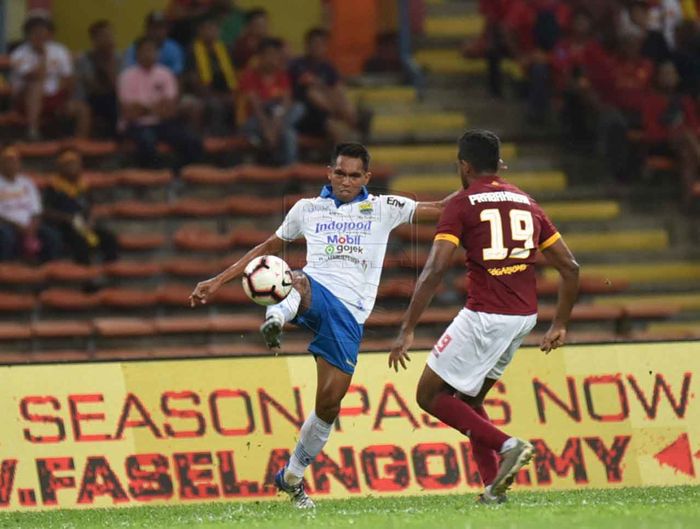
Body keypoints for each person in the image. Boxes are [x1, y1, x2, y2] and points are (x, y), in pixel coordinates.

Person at [189, 142, 457, 508]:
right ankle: (275, 319)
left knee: (329, 404)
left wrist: (482, 186)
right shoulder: (307, 209)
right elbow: (267, 248)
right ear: (329, 172)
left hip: (350, 316)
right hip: (313, 292)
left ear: (367, 177)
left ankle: (293, 477)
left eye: (354, 175)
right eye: (340, 173)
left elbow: (441, 209)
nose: (345, 181)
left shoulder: (384, 207)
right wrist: (218, 280)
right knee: (296, 279)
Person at [389, 130, 580, 504]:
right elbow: (570, 268)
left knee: (429, 394)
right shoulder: (527, 202)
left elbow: (433, 271)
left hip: (484, 316)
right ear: (499, 165)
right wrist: (559, 324)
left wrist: (407, 328)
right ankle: (494, 489)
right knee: (469, 402)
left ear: (463, 165)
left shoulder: (462, 204)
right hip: (523, 318)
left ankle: (509, 446)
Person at [118, 37, 203, 170]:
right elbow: (130, 112)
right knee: (147, 143)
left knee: (192, 142)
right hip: (137, 125)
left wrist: (145, 108)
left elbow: (169, 109)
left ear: (158, 53)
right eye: (144, 51)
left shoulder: (166, 74)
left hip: (164, 122)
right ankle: (151, 180)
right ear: (137, 54)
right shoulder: (126, 76)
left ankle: (178, 174)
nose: (148, 54)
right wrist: (156, 107)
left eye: (152, 50)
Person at [10, 15, 90, 140]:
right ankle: (33, 131)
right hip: (25, 100)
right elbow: (36, 75)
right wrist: (42, 55)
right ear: (28, 35)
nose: (40, 36)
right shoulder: (19, 54)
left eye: (43, 32)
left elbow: (68, 77)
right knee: (36, 86)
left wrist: (64, 95)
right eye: (35, 33)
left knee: (83, 109)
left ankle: (79, 143)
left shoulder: (59, 50)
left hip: (55, 96)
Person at [43, 148, 119, 265]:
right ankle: (87, 278)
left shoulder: (84, 187)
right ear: (61, 168)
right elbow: (46, 211)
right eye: (69, 165)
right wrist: (68, 218)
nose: (73, 167)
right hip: (65, 227)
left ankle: (110, 270)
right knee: (81, 242)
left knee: (109, 238)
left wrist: (91, 220)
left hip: (84, 225)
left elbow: (91, 207)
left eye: (76, 164)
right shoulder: (53, 187)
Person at [238, 38, 303, 165]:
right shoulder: (249, 75)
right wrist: (268, 129)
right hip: (254, 121)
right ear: (260, 56)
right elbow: (256, 107)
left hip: (276, 119)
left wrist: (275, 127)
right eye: (269, 55)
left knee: (296, 115)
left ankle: (289, 172)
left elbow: (286, 103)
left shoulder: (281, 75)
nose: (273, 59)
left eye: (275, 55)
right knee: (286, 130)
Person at [290, 28, 360, 142]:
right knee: (314, 94)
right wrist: (327, 91)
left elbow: (338, 89)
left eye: (321, 44)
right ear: (307, 45)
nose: (317, 47)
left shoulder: (328, 67)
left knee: (343, 99)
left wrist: (334, 96)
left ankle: (358, 128)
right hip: (307, 113)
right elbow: (310, 90)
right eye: (314, 43)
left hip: (327, 111)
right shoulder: (298, 65)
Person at [0, 144, 61, 262]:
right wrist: (17, 226)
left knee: (53, 236)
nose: (12, 164)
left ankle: (46, 269)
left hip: (30, 225)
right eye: (8, 161)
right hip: (6, 225)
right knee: (6, 237)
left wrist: (32, 227)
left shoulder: (27, 183)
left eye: (14, 161)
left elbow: (36, 211)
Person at [184, 16, 238, 135]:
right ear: (200, 31)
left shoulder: (225, 49)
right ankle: (214, 140)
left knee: (237, 104)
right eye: (207, 28)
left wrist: (231, 94)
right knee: (215, 106)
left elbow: (233, 76)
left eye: (214, 28)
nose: (211, 32)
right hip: (201, 94)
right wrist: (214, 96)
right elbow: (193, 80)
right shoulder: (192, 51)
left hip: (224, 92)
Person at [76, 20, 121, 137]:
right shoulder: (85, 59)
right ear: (94, 40)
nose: (109, 38)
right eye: (104, 35)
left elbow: (120, 85)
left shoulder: (118, 58)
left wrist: (110, 61)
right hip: (91, 98)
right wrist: (104, 64)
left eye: (110, 35)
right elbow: (93, 87)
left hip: (114, 97)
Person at [124, 12, 185, 76]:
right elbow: (129, 72)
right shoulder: (135, 48)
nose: (157, 32)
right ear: (147, 30)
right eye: (154, 28)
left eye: (161, 28)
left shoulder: (174, 49)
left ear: (167, 30)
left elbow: (177, 74)